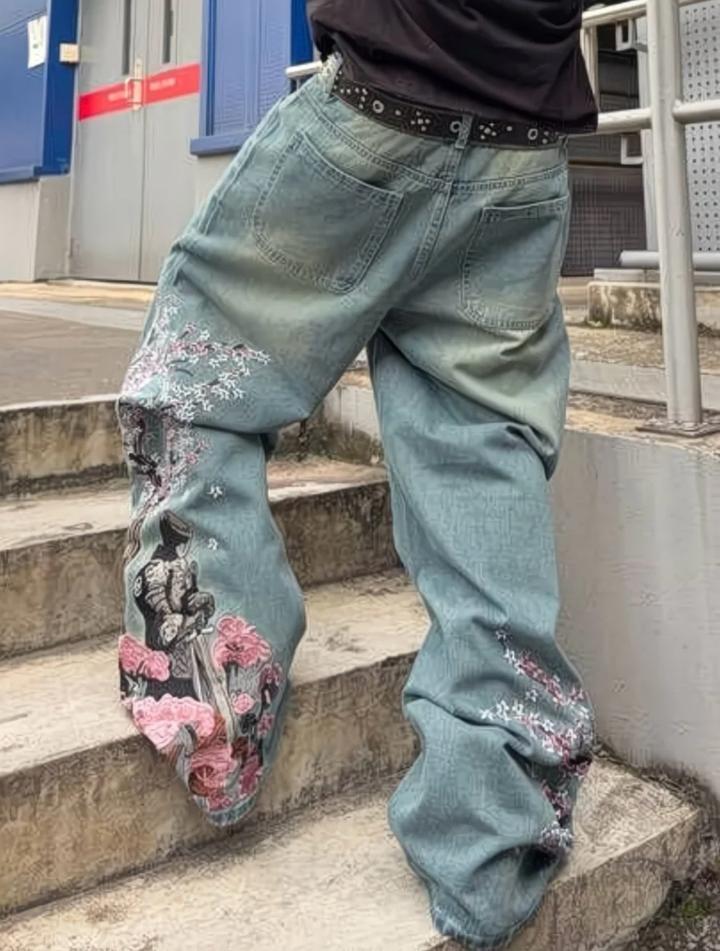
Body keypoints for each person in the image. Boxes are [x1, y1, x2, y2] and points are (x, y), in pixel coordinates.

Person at [117, 2, 598, 946]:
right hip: (525, 142)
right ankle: (493, 839)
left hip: (379, 108)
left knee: (195, 381)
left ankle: (218, 704)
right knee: (482, 448)